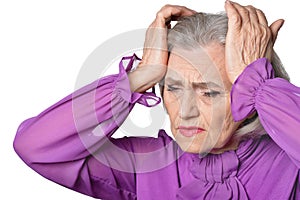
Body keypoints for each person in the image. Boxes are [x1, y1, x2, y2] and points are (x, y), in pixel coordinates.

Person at [13, 1, 300, 199]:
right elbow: (34, 147)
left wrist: (261, 86)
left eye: (208, 92)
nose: (185, 112)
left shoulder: (290, 164)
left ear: (247, 98)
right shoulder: (148, 165)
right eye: (173, 89)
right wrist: (140, 76)